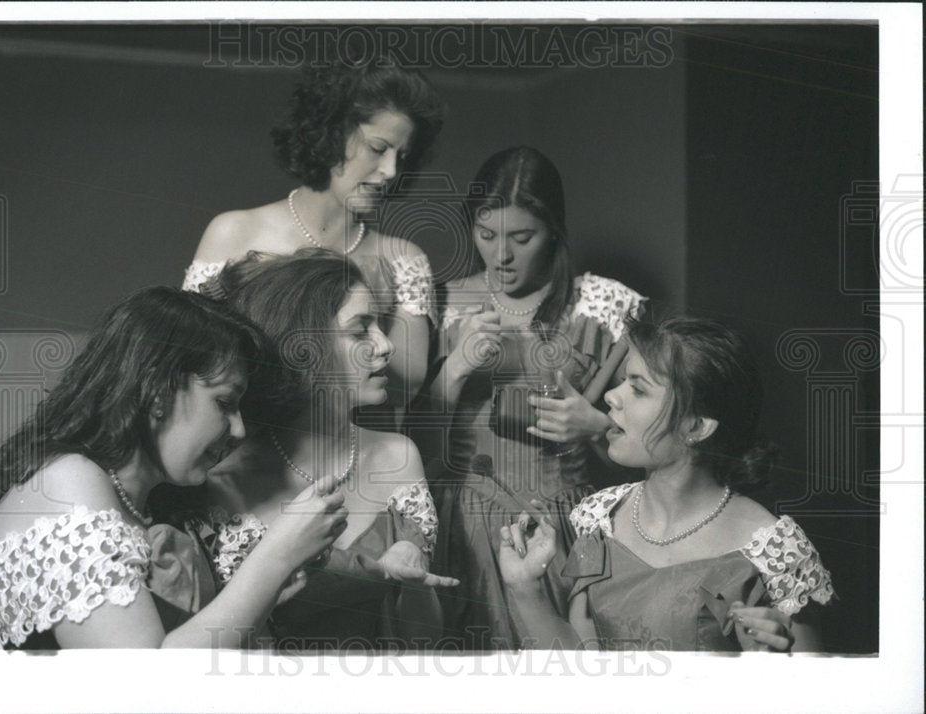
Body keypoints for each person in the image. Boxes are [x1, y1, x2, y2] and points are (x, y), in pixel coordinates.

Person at [0, 287, 348, 649]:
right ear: (155, 389)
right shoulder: (69, 481)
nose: (238, 429)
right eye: (225, 403)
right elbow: (141, 685)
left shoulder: (132, 503)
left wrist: (265, 592)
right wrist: (274, 556)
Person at [420, 146, 646, 648]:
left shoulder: (603, 306)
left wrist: (595, 426)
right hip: (460, 525)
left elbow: (662, 440)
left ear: (554, 232)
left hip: (565, 526)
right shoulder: (443, 302)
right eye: (486, 235)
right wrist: (456, 366)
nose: (501, 256)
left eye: (522, 238)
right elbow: (407, 436)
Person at [499, 316, 835, 652]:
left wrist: (776, 672)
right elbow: (580, 668)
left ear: (697, 427)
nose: (612, 397)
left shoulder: (774, 549)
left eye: (638, 388)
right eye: (621, 382)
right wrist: (525, 589)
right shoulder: (599, 518)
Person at [197, 249, 456, 650]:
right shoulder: (222, 482)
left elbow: (424, 642)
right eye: (360, 330)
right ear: (303, 348)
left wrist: (417, 585)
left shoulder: (398, 457)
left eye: (380, 326)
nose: (386, 346)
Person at [183, 57, 445, 414]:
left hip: (357, 452)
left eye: (403, 156)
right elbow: (189, 361)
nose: (390, 171)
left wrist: (370, 316)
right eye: (378, 148)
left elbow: (404, 392)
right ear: (332, 132)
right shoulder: (234, 232)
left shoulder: (404, 260)